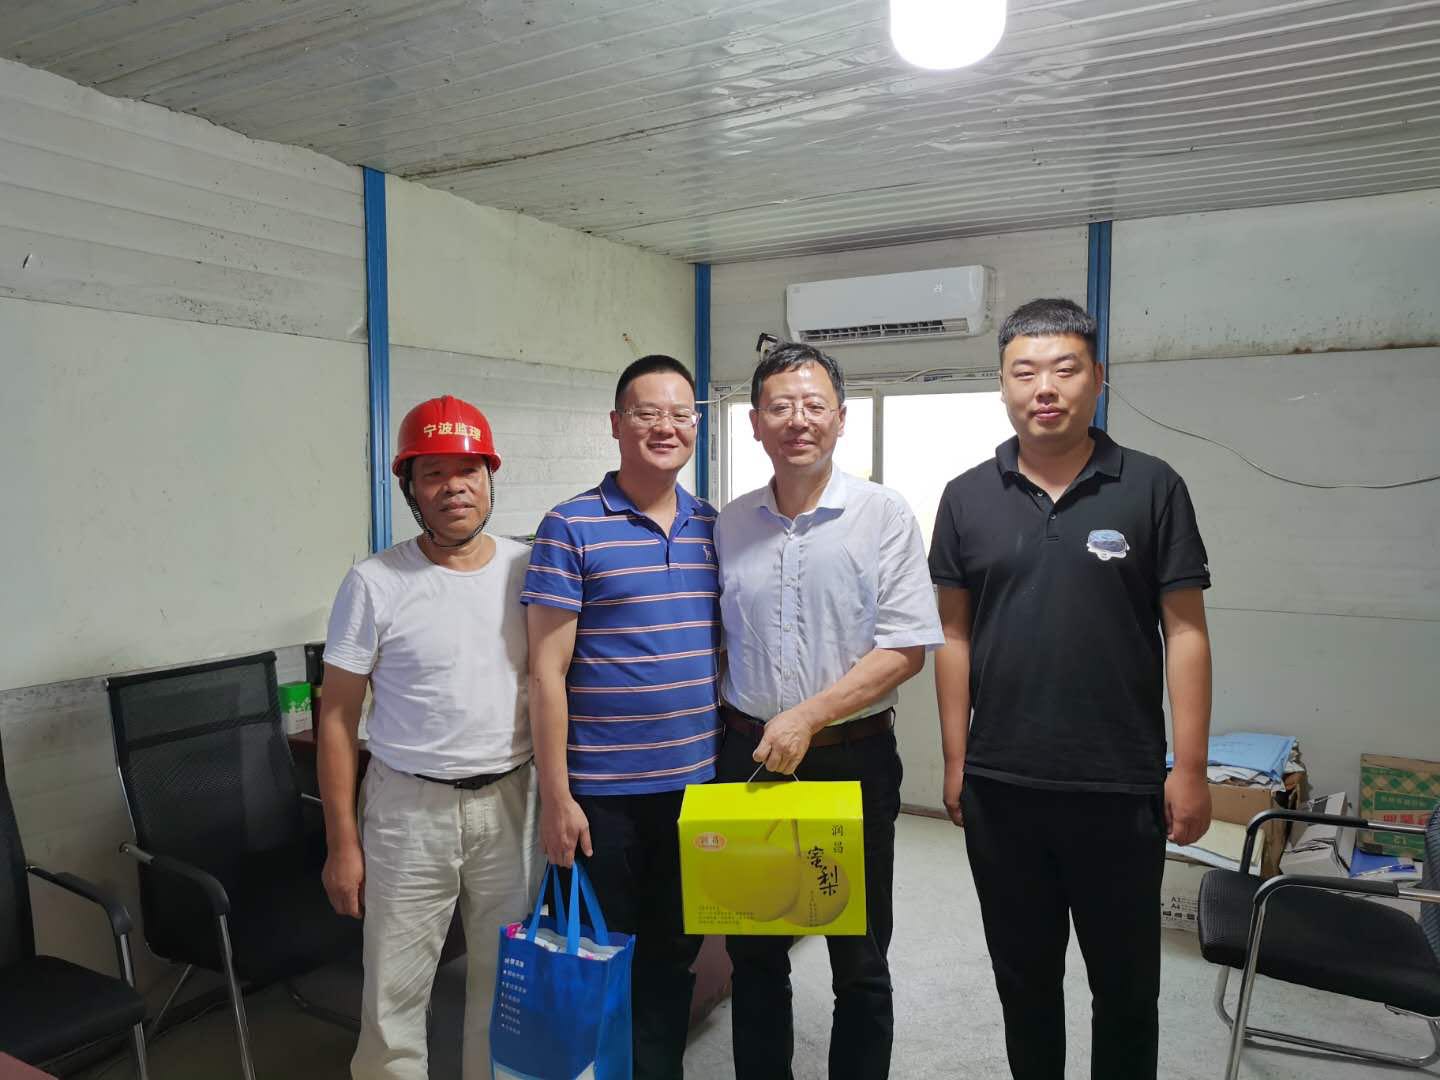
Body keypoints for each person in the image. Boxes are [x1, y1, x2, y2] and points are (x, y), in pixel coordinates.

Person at [929, 298, 1214, 1080]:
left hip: (1119, 786)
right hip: (1002, 786)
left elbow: (1186, 632)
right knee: (1024, 984)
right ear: (1002, 385)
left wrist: (1189, 769)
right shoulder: (965, 496)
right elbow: (953, 635)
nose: (1044, 388)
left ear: (1098, 378)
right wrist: (955, 760)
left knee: (1127, 989)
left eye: (1064, 369)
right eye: (1024, 372)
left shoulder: (1152, 486)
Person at [714, 341, 943, 1080]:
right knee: (754, 951)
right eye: (780, 406)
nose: (798, 420)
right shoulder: (730, 523)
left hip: (850, 759)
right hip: (747, 761)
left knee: (859, 958)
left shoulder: (882, 514)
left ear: (841, 419)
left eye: (814, 405)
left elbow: (906, 646)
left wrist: (808, 717)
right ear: (755, 423)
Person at [317, 395, 540, 1080]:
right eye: (433, 474)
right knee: (394, 996)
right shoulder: (375, 583)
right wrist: (341, 843)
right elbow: (336, 718)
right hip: (408, 811)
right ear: (411, 489)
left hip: (512, 802)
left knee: (505, 990)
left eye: (467, 470)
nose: (453, 488)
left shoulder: (530, 571)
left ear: (490, 478)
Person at [523, 354, 720, 1079]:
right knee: (600, 960)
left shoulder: (714, 527)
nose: (665, 427)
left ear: (695, 425)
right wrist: (557, 798)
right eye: (647, 413)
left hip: (695, 789)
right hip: (602, 797)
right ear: (615, 424)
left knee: (675, 957)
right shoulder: (569, 525)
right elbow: (545, 673)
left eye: (680, 414)